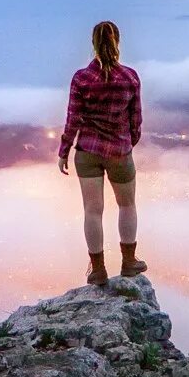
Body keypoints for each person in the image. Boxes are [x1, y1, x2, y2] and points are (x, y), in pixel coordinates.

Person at [56, 19, 143, 287]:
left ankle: (98, 270)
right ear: (117, 42)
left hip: (88, 152)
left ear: (93, 43)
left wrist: (64, 150)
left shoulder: (81, 79)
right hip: (119, 150)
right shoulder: (130, 77)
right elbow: (136, 120)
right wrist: (128, 143)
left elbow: (73, 119)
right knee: (126, 205)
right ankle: (129, 262)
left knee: (92, 211)